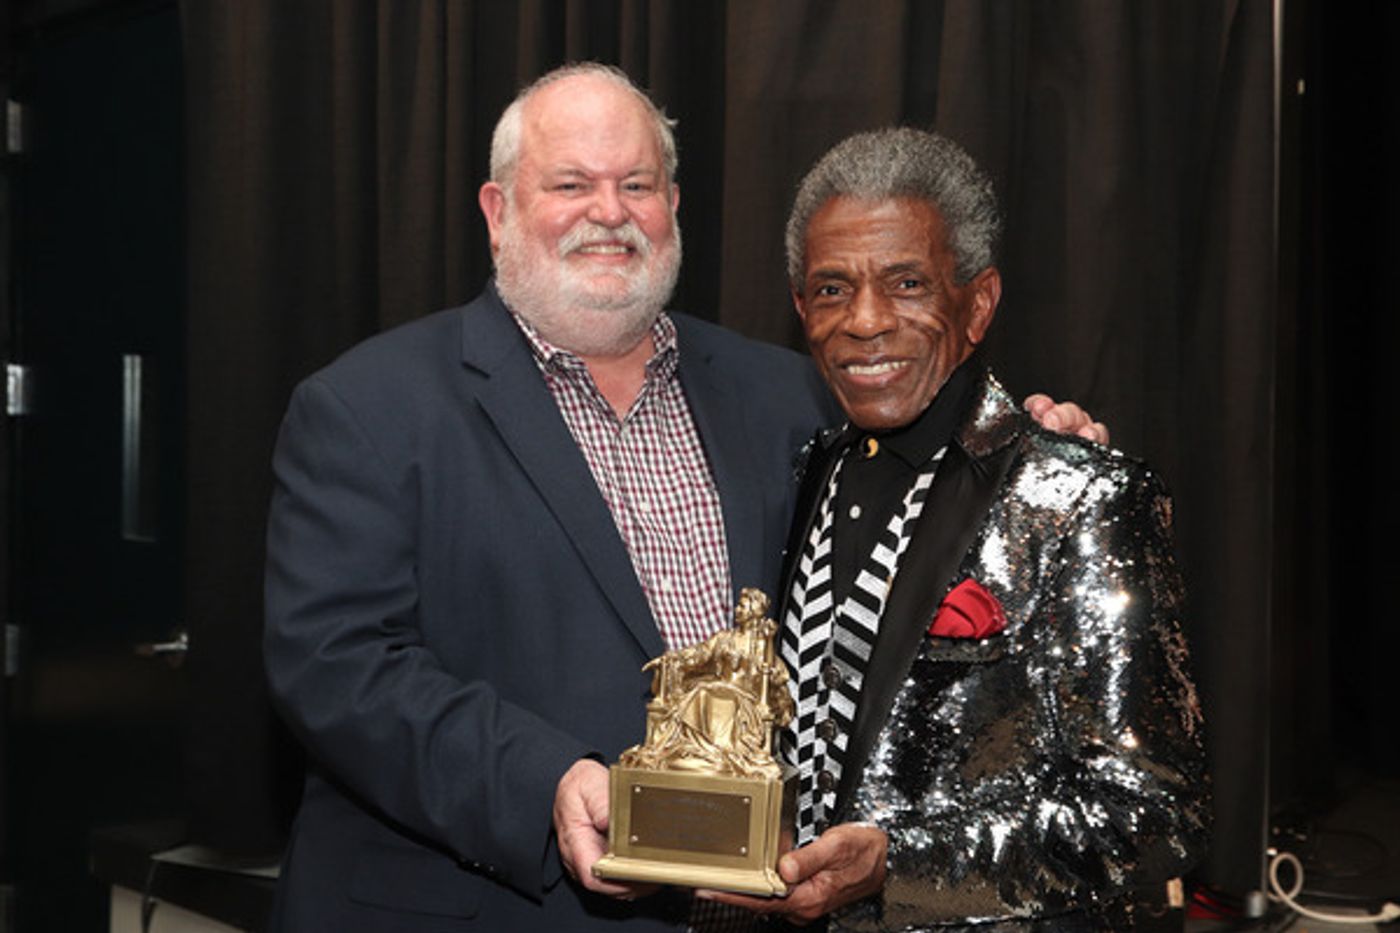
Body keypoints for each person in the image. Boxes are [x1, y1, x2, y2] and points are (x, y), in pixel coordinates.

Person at [263, 65, 1103, 931]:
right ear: (497, 211)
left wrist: (1024, 460)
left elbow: (918, 522)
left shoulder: (791, 396)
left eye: (637, 184)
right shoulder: (367, 406)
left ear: (673, 204)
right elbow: (335, 664)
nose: (609, 211)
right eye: (570, 184)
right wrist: (544, 782)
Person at [702, 129, 1209, 930]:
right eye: (831, 289)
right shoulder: (805, 474)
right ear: (801, 309)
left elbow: (1151, 813)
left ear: (977, 304)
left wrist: (897, 867)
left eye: (906, 283)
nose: (864, 322)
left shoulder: (1079, 496)